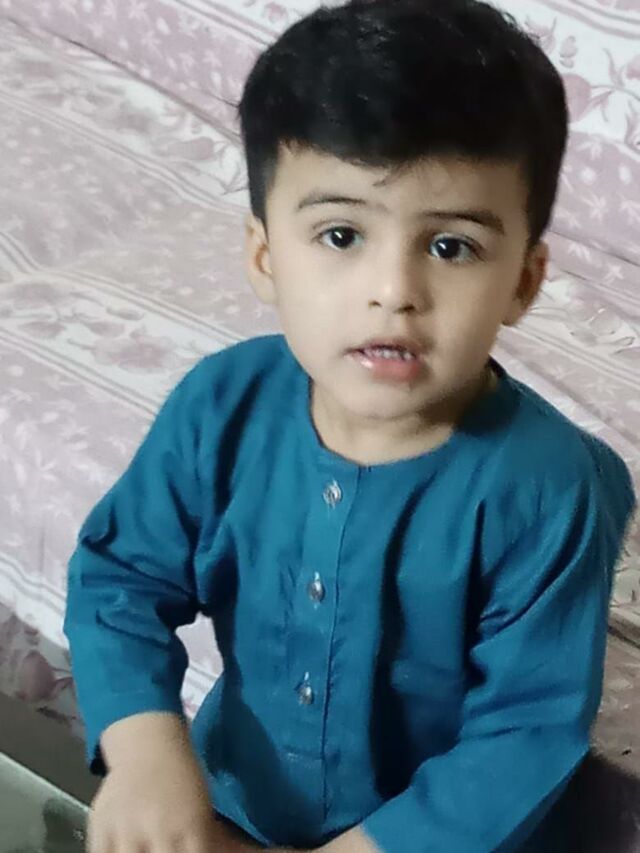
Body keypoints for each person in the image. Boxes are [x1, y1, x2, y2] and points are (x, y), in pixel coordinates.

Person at [63, 0, 638, 850]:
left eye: (450, 247)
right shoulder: (220, 406)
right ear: (265, 256)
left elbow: (525, 731)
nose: (393, 291)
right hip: (233, 805)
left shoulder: (548, 487)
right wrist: (144, 748)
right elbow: (119, 580)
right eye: (340, 235)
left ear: (523, 280)